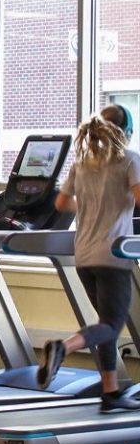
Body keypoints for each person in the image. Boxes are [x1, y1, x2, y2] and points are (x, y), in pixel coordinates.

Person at [37, 104, 140, 413]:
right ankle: (62, 347)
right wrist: (116, 205)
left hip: (83, 256)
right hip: (113, 254)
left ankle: (110, 392)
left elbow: (61, 202)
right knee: (111, 324)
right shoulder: (129, 160)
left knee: (105, 324)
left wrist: (92, 207)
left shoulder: (83, 163)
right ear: (126, 134)